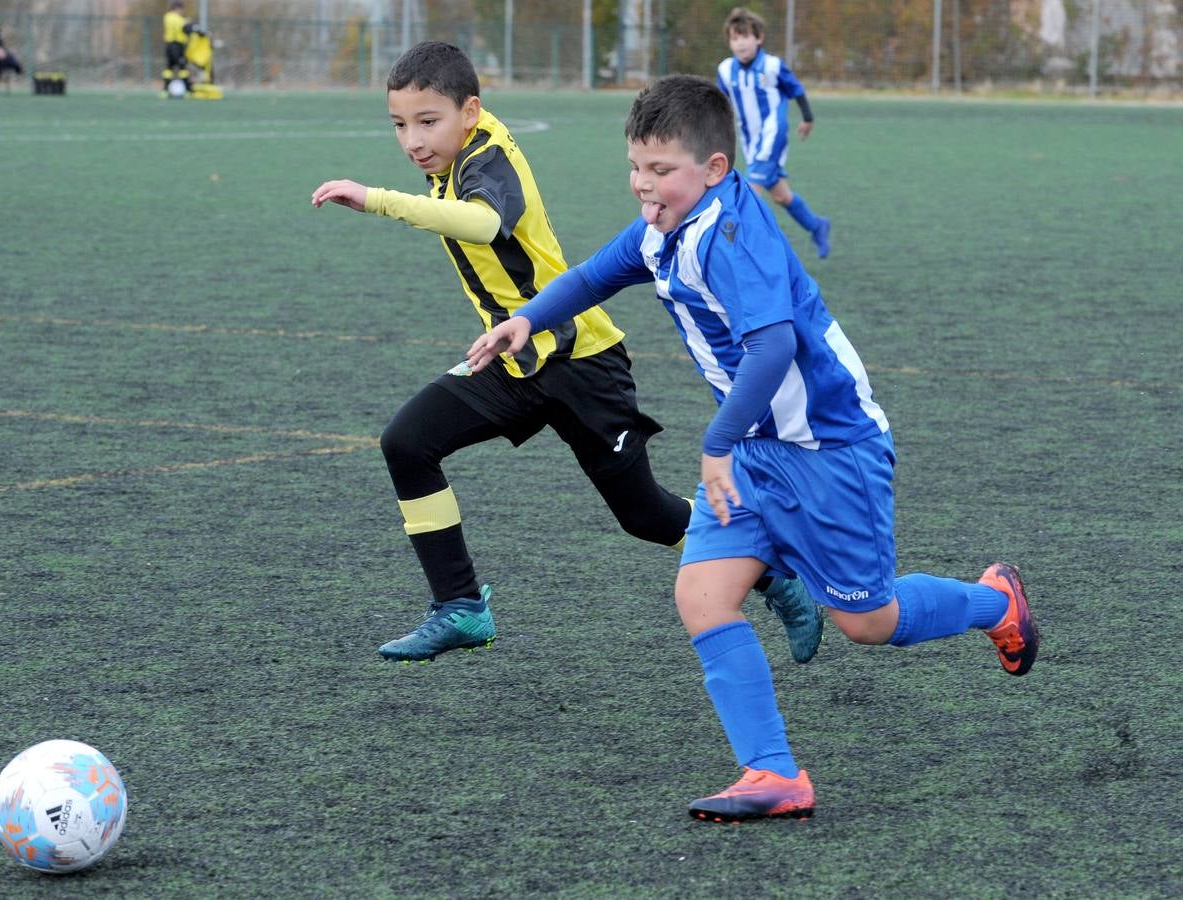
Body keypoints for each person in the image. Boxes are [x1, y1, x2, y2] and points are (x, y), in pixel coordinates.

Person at [467, 75, 1040, 822]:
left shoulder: (735, 238)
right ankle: (773, 774)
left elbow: (773, 348)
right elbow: (598, 273)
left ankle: (996, 602)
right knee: (701, 595)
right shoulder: (666, 223)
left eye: (661, 170)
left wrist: (717, 441)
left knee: (868, 623)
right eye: (636, 166)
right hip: (752, 451)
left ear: (712, 169)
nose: (644, 184)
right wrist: (528, 319)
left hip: (828, 449)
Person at [311, 42, 821, 664]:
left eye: (427, 122)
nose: (413, 140)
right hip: (514, 354)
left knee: (646, 516)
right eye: (399, 125)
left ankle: (768, 569)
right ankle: (461, 606)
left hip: (583, 363)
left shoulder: (490, 155)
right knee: (406, 442)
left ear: (470, 111)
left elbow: (482, 224)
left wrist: (377, 199)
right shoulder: (452, 151)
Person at [717, 7, 831, 259]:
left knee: (748, 193)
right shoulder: (725, 70)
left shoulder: (772, 66)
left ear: (759, 38)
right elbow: (721, 101)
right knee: (781, 195)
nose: (740, 43)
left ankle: (738, 253)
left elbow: (796, 89)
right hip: (750, 140)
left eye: (745, 36)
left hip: (773, 134)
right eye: (735, 38)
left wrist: (808, 117)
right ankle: (817, 225)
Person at [162, 0, 193, 96]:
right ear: (178, 8)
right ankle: (188, 90)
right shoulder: (177, 18)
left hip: (168, 45)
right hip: (177, 46)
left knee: (168, 68)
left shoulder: (166, 17)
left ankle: (165, 91)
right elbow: (185, 28)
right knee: (182, 67)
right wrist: (187, 22)